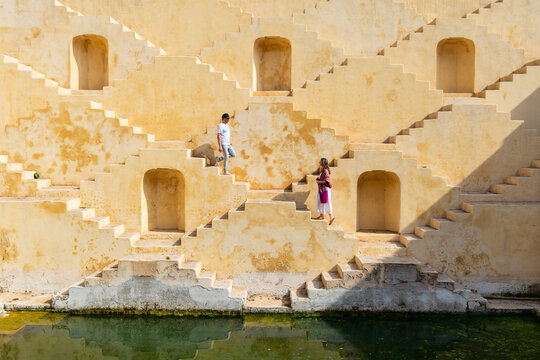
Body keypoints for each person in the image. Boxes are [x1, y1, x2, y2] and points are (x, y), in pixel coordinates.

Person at [314, 158, 335, 225]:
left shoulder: (325, 171)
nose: (319, 162)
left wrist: (319, 181)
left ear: (323, 162)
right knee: (321, 201)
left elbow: (327, 181)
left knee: (327, 202)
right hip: (322, 188)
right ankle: (321, 215)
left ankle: (331, 216)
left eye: (320, 161)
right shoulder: (323, 170)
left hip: (325, 189)